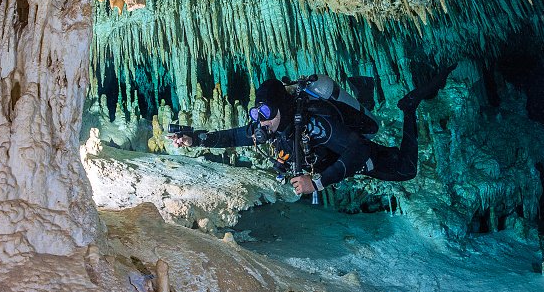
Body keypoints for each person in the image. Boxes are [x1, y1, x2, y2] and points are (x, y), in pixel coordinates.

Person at [168, 66, 457, 196]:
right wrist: (195, 138)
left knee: (406, 170)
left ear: (282, 108)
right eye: (257, 114)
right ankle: (365, 91)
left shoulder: (314, 124)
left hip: (346, 154)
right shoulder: (269, 127)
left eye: (266, 113)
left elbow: (359, 150)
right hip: (328, 160)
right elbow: (232, 137)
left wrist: (317, 183)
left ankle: (408, 106)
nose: (261, 122)